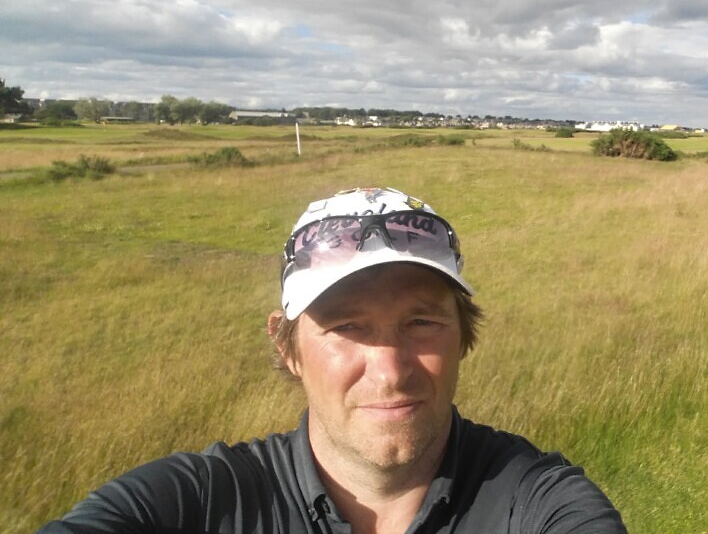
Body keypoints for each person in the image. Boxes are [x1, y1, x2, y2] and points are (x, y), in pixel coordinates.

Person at [39, 187, 626, 534]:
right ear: (286, 346)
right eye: (347, 328)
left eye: (422, 323)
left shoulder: (536, 500)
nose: (390, 371)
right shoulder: (199, 500)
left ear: (463, 336)